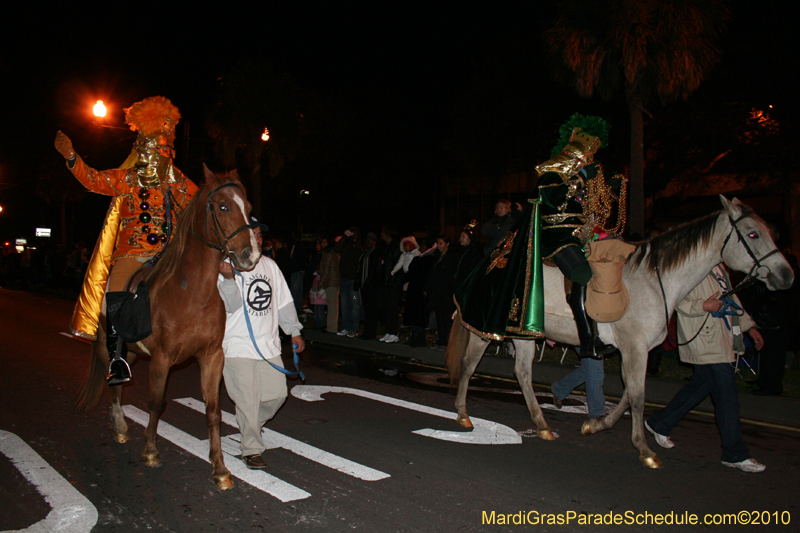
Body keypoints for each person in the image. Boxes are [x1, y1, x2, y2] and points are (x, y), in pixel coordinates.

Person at [54, 96, 197, 385]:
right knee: (115, 293)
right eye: (154, 150)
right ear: (142, 151)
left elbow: (198, 205)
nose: (159, 156)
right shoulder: (129, 179)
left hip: (168, 254)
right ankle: (117, 358)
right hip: (131, 253)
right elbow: (94, 180)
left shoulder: (176, 180)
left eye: (164, 150)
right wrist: (72, 158)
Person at [645, 266, 766, 473]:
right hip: (704, 339)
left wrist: (749, 327)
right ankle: (734, 453)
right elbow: (675, 299)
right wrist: (703, 305)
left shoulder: (719, 268)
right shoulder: (689, 265)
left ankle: (660, 422)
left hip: (720, 338)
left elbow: (732, 299)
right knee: (727, 399)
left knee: (702, 386)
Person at [217, 220, 304, 470]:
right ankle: (251, 449)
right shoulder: (223, 268)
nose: (256, 238)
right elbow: (230, 308)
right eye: (251, 234)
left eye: (258, 234)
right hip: (236, 347)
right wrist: (228, 279)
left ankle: (251, 425)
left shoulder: (270, 265)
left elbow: (283, 303)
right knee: (247, 400)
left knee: (277, 395)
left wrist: (294, 332)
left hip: (268, 346)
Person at [536, 114, 624, 360]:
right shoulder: (551, 173)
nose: (585, 162)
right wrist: (582, 178)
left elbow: (593, 212)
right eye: (583, 158)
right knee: (584, 274)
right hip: (555, 237)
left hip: (579, 237)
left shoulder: (578, 183)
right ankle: (587, 340)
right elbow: (551, 199)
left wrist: (610, 190)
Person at [425, 235, 459, 349]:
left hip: (445, 291)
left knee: (445, 316)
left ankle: (447, 339)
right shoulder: (438, 256)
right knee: (439, 315)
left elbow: (448, 274)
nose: (439, 246)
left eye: (441, 243)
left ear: (447, 244)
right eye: (438, 243)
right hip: (437, 291)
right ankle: (441, 338)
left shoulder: (451, 257)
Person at [551, 353, 606, 421]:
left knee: (587, 369)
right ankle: (597, 412)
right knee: (595, 371)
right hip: (589, 342)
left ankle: (560, 389)